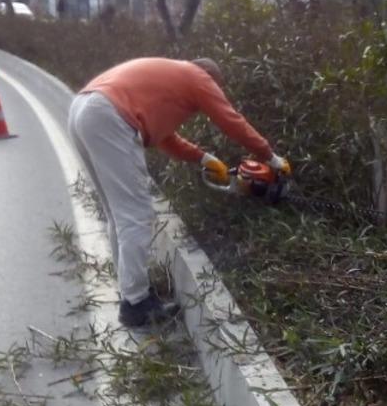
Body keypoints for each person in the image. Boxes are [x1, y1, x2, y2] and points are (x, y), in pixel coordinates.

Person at [68, 57, 286, 327]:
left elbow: (165, 138)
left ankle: (132, 292)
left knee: (119, 214)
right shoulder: (198, 76)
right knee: (136, 215)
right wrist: (271, 157)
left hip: (83, 107)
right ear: (209, 78)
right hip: (106, 115)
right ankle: (136, 303)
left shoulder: (168, 79)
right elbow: (231, 120)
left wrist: (204, 158)